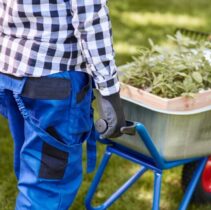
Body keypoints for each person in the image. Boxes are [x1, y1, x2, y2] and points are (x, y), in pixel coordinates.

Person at [0, 0, 125, 209]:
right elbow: (91, 19)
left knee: (34, 169)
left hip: (11, 69)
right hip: (53, 81)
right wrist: (109, 91)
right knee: (48, 185)